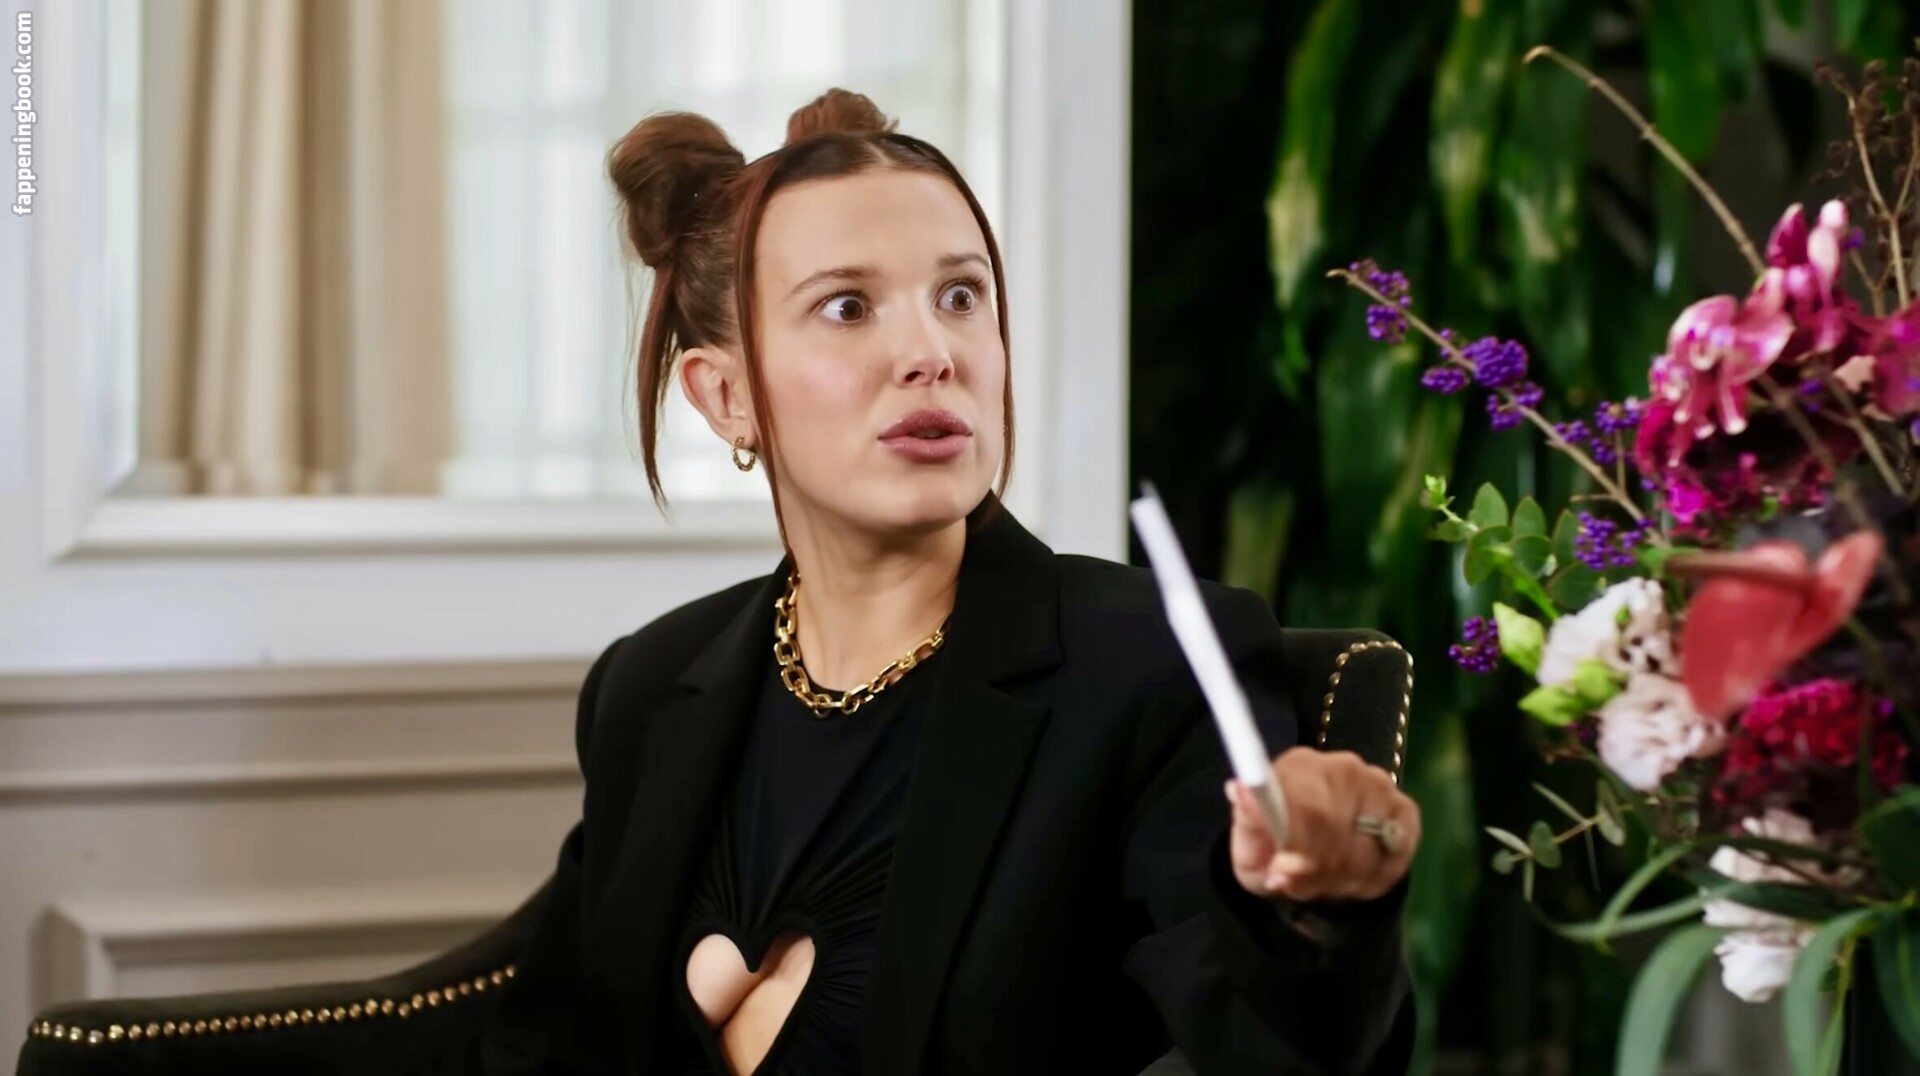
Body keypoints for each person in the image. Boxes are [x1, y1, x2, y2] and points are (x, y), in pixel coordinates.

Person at [471, 89, 1422, 1076]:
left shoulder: (1150, 666)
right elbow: (536, 1047)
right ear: (726, 394)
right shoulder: (647, 686)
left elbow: (1276, 1047)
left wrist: (1326, 912)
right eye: (848, 307)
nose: (931, 354)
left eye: (961, 297)